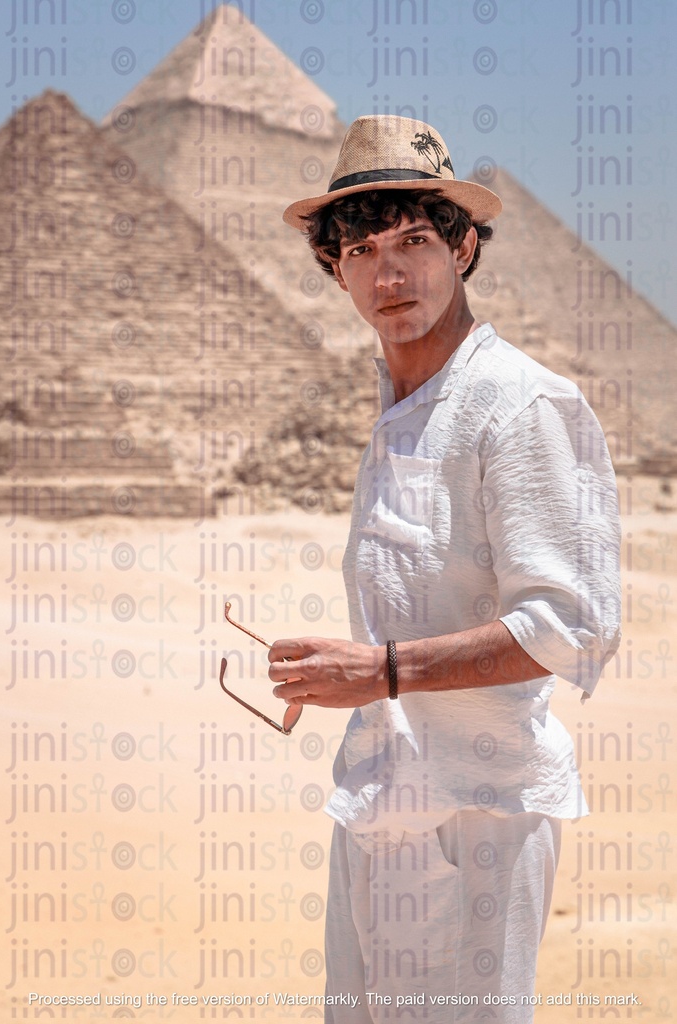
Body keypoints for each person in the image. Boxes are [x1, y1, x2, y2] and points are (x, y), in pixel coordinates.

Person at [270, 115, 621, 1021]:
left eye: (416, 241)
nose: (389, 275)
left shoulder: (521, 403)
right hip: (377, 798)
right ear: (332, 268)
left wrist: (381, 671)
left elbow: (572, 627)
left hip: (478, 817)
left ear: (464, 247)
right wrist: (344, 674)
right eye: (361, 248)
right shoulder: (402, 413)